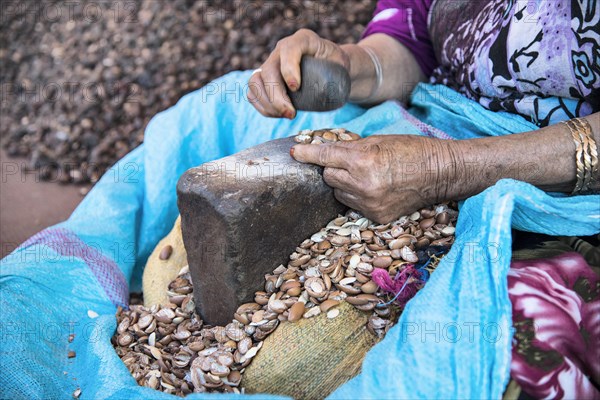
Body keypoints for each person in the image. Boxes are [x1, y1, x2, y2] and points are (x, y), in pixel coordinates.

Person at [248, 1, 599, 398]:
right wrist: (351, 67)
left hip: (560, 178)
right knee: (218, 111)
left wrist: (444, 168)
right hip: (436, 115)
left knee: (460, 362)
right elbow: (412, 41)